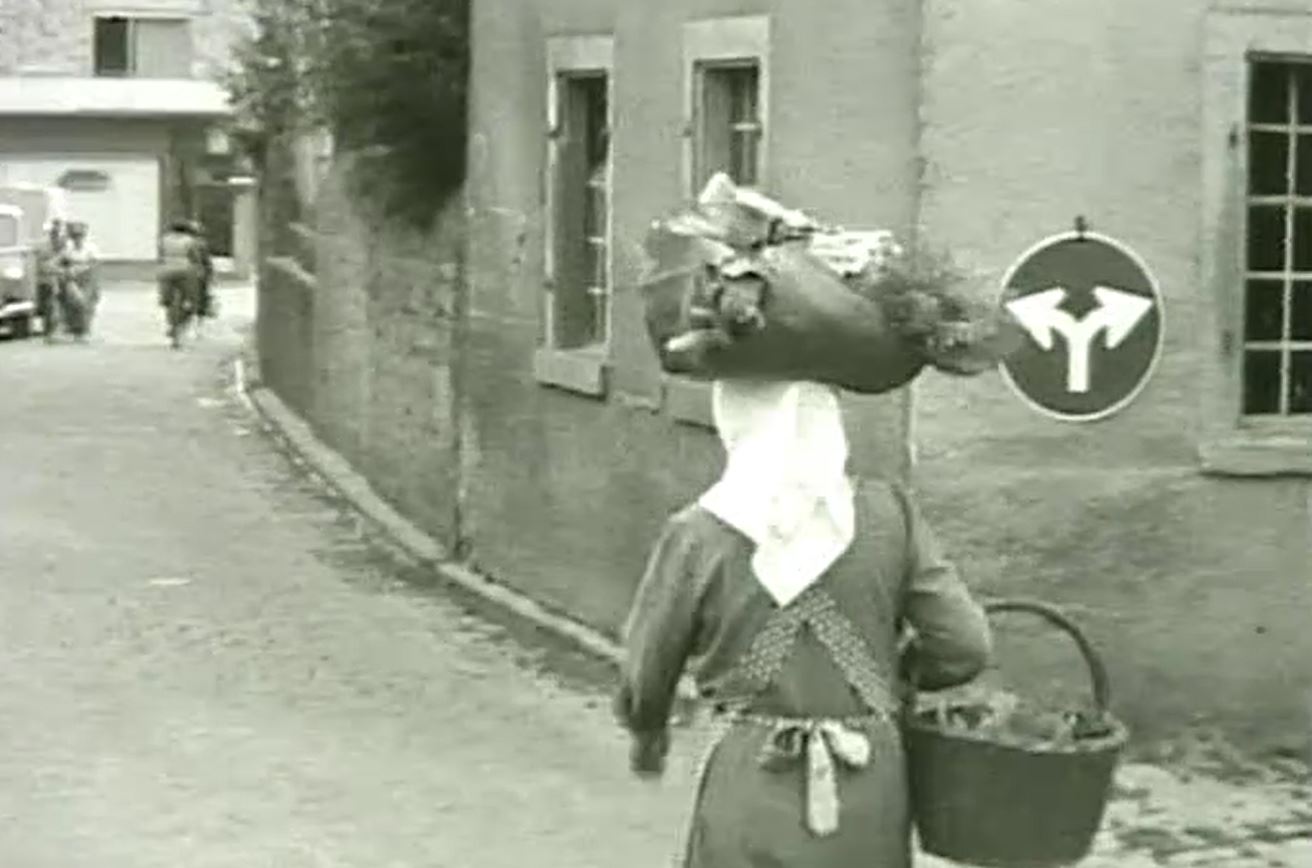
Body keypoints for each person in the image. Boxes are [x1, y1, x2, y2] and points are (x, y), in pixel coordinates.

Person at [613, 378, 993, 868]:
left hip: (749, 777)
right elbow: (965, 644)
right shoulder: (890, 516)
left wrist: (648, 736)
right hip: (869, 777)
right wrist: (894, 678)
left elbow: (647, 669)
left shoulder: (697, 534)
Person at [157, 219, 201, 348]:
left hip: (167, 270)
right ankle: (182, 321)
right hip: (185, 271)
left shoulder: (164, 240)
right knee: (189, 299)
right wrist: (198, 268)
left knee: (168, 301)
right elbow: (195, 257)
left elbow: (160, 255)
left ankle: (171, 323)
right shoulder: (190, 241)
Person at [58, 220, 100, 341]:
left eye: (79, 236)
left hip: (87, 278)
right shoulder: (68, 249)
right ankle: (73, 329)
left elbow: (94, 265)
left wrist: (85, 270)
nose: (77, 239)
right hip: (72, 278)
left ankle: (84, 330)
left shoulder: (91, 248)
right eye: (75, 236)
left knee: (85, 303)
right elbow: (62, 263)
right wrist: (66, 271)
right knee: (72, 303)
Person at [35, 218, 66, 339]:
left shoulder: (64, 246)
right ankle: (49, 331)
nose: (56, 234)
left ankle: (57, 330)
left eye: (58, 232)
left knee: (60, 306)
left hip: (61, 280)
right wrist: (57, 269)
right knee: (49, 306)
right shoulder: (44, 246)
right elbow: (42, 265)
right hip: (47, 280)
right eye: (54, 231)